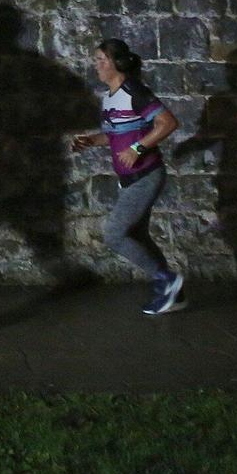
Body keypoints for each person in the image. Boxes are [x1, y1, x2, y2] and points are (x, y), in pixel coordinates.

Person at [71, 39, 186, 316]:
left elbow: (167, 123)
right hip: (129, 179)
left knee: (114, 234)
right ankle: (173, 294)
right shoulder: (110, 97)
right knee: (136, 234)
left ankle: (168, 280)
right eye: (96, 59)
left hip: (146, 174)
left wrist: (138, 148)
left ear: (117, 63)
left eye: (101, 59)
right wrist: (90, 141)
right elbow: (114, 136)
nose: (95, 65)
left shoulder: (134, 90)